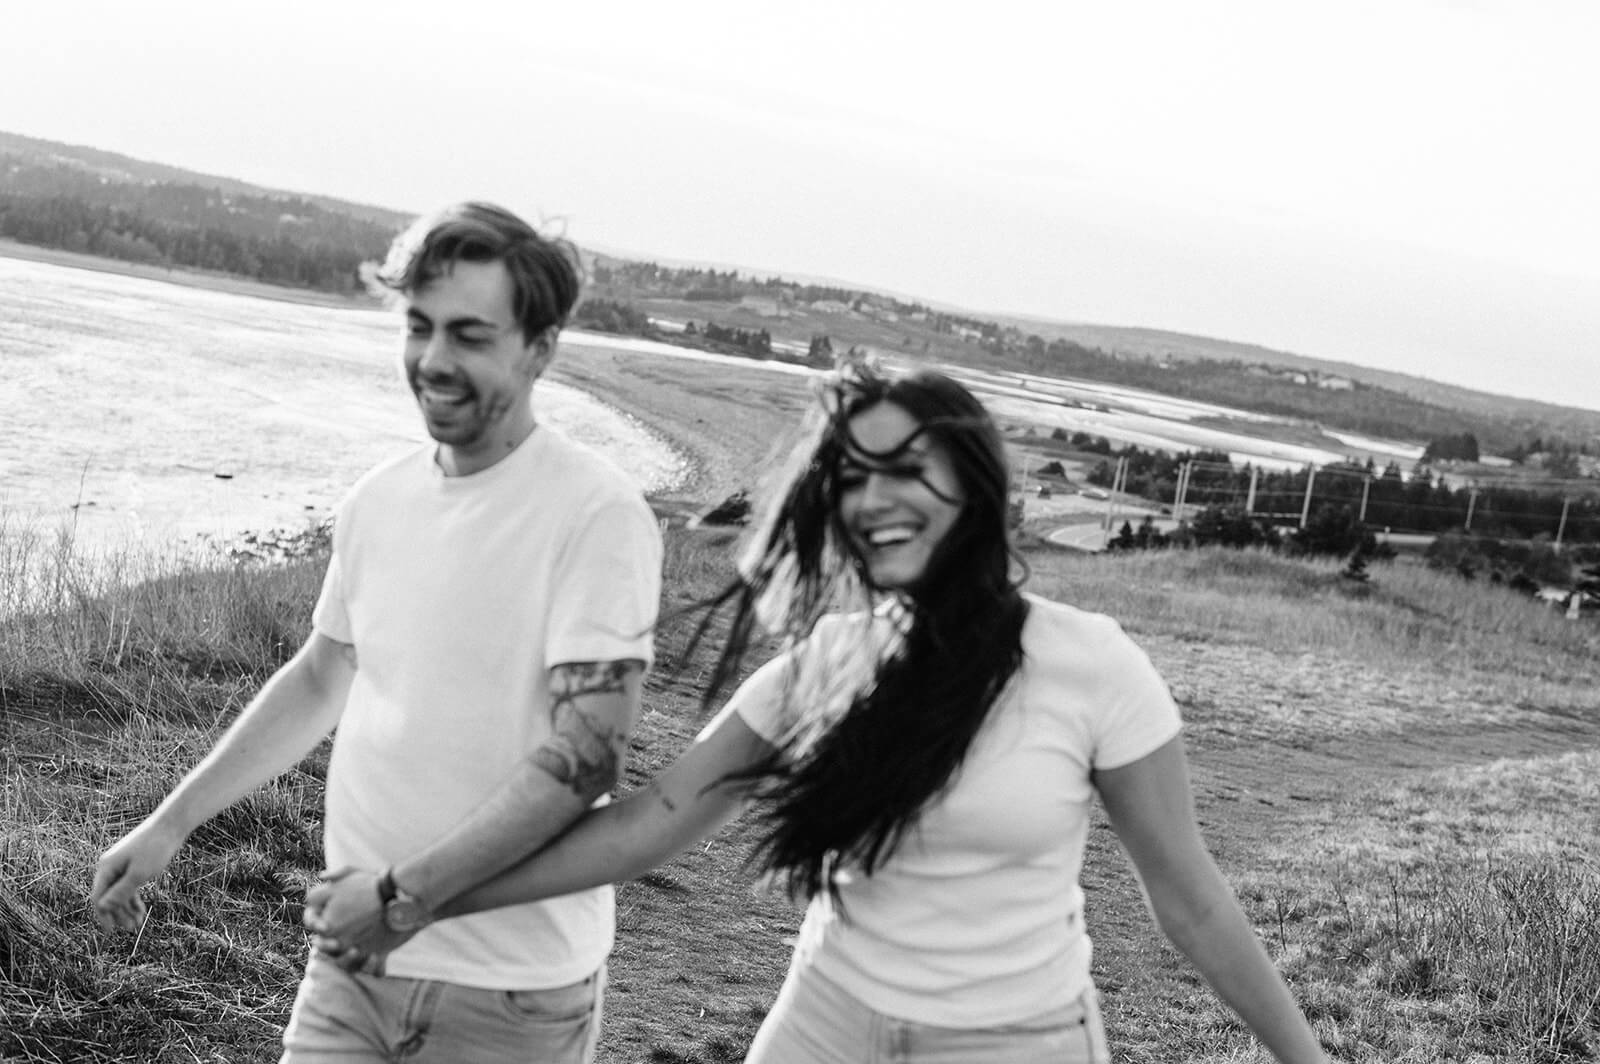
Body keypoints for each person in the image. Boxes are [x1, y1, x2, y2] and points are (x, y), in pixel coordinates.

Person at [307, 362, 1329, 1063]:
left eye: (905, 468)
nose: (873, 498)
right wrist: (415, 899)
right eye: (851, 476)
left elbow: (1187, 897)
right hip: (828, 1017)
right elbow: (642, 824)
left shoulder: (1090, 664)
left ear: (973, 483)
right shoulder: (822, 667)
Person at [90, 201, 663, 1064]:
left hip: (509, 990)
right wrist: (172, 822)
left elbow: (587, 761)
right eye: (420, 327)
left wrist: (399, 901)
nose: (433, 360)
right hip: (351, 966)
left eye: (470, 335)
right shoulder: (378, 501)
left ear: (540, 347)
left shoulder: (597, 514)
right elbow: (322, 675)